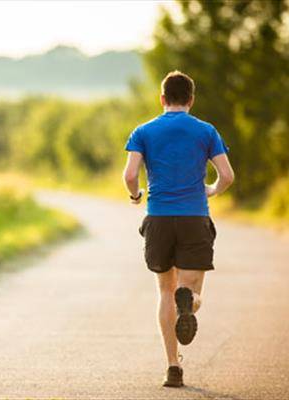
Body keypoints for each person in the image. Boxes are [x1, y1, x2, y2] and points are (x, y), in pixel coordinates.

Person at [122, 70, 235, 388]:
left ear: (162, 99)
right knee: (191, 293)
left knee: (164, 292)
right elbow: (227, 176)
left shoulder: (143, 131)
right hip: (193, 218)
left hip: (158, 218)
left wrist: (136, 196)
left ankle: (173, 367)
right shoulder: (206, 131)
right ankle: (190, 302)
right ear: (191, 100)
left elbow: (130, 175)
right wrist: (212, 190)